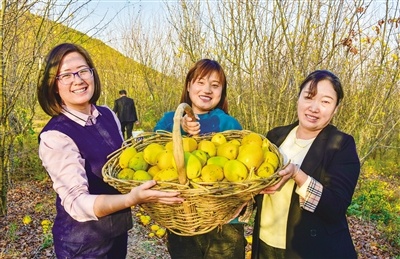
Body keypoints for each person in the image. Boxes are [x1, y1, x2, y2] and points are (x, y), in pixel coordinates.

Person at [37, 43, 184, 258]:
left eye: (83, 71)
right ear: (53, 85)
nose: (78, 80)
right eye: (66, 75)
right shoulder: (56, 137)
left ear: (93, 74)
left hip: (117, 233)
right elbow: (78, 203)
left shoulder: (107, 114)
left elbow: (123, 165)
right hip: (82, 245)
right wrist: (130, 199)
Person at [251, 70, 360, 259]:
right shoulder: (274, 137)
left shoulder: (341, 145)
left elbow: (336, 207)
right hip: (264, 244)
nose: (314, 107)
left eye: (325, 102)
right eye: (309, 97)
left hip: (309, 250)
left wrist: (297, 175)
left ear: (335, 109)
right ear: (298, 98)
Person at [154, 59, 246, 259]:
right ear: (189, 85)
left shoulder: (228, 123)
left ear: (222, 91)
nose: (207, 90)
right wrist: (179, 126)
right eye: (201, 82)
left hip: (225, 224)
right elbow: (153, 155)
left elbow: (244, 166)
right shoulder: (169, 120)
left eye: (215, 85)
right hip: (182, 220)